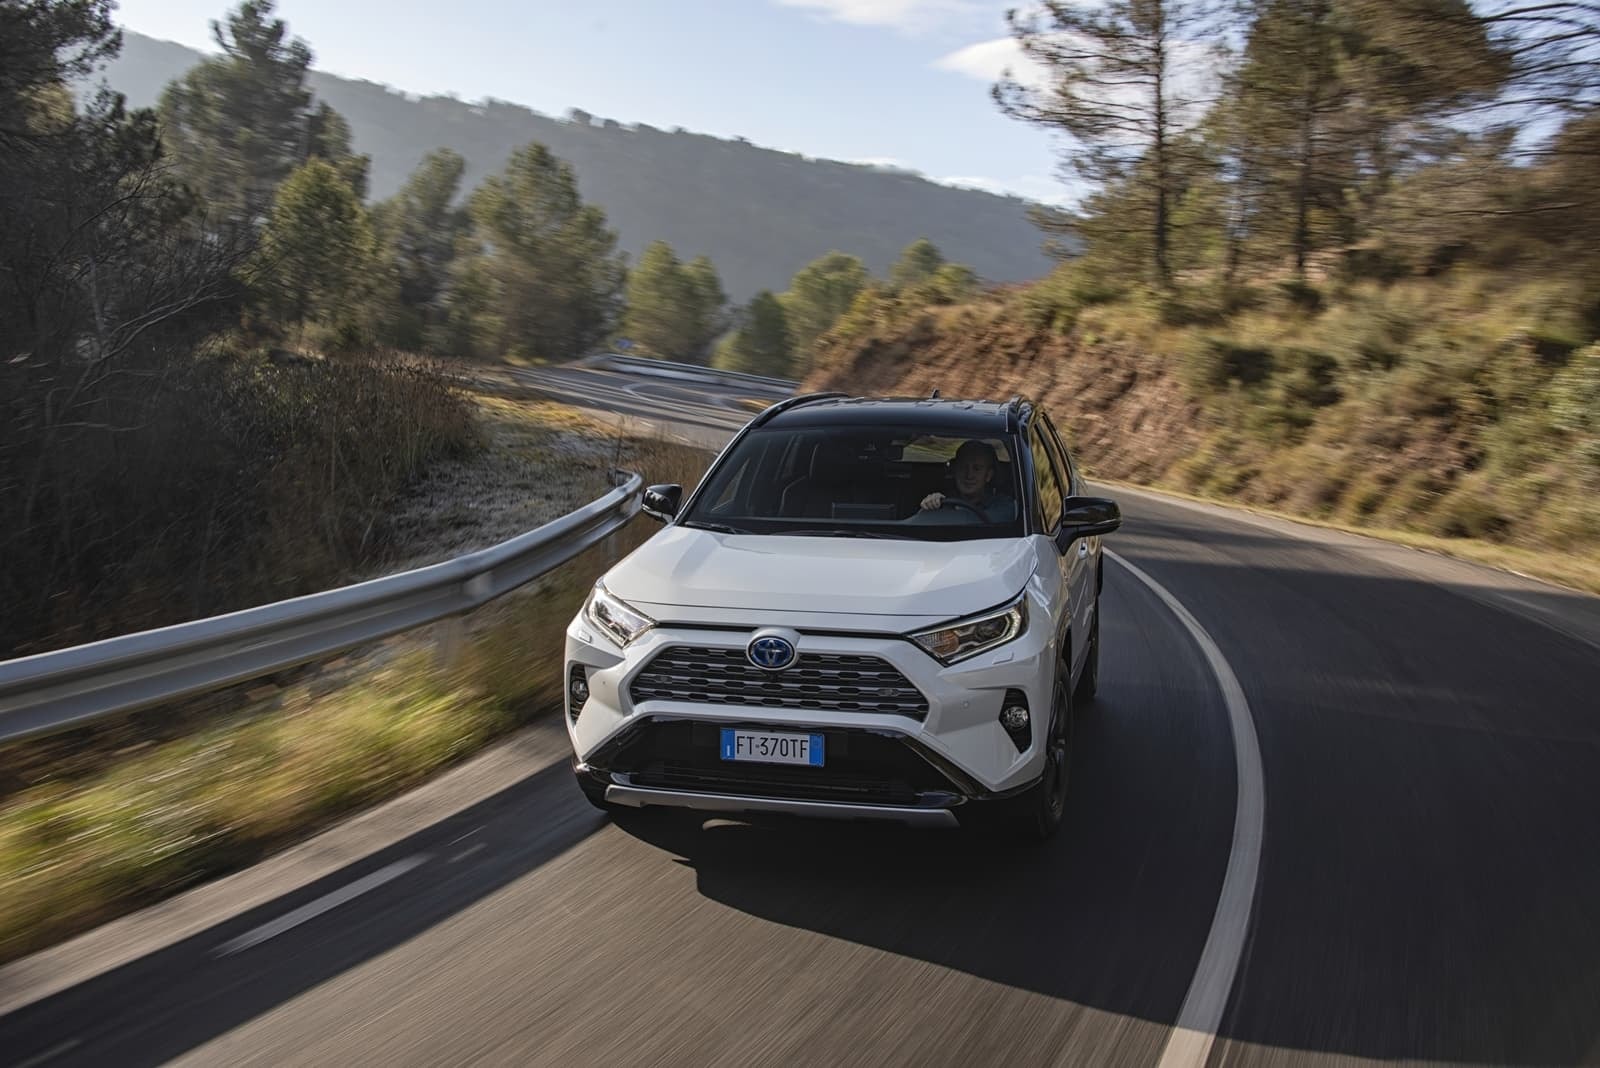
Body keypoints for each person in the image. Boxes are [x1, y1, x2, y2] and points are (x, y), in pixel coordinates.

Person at [912, 439, 1016, 523]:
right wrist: (929, 507)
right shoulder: (942, 502)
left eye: (977, 469)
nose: (969, 475)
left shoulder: (1005, 506)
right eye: (963, 467)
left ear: (988, 475)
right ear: (955, 470)